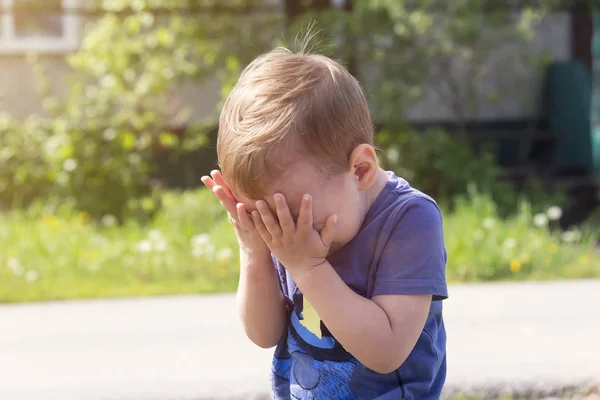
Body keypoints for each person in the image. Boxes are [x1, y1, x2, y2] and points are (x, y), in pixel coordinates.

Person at [201, 44, 448, 399]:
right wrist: (254, 251)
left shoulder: (408, 221)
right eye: (265, 220)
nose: (285, 238)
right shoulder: (289, 216)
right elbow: (263, 334)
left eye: (302, 222)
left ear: (360, 169)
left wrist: (309, 268)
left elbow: (386, 352)